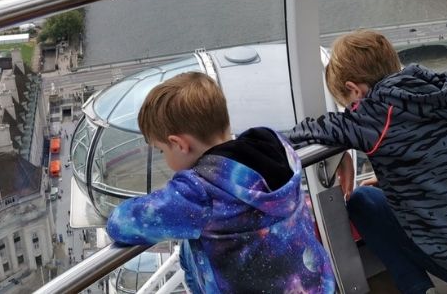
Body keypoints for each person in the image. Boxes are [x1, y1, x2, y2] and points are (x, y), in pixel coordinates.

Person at [289, 30, 447, 294]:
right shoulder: (440, 91)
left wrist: (339, 148)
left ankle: (419, 288)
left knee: (363, 202)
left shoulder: (375, 116)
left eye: (349, 105)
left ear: (354, 89)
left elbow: (300, 135)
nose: (352, 112)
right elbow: (439, 152)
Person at [106, 72, 335, 293]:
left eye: (161, 150)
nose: (164, 158)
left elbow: (121, 224)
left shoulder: (200, 192)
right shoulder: (275, 144)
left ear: (179, 144)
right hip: (315, 284)